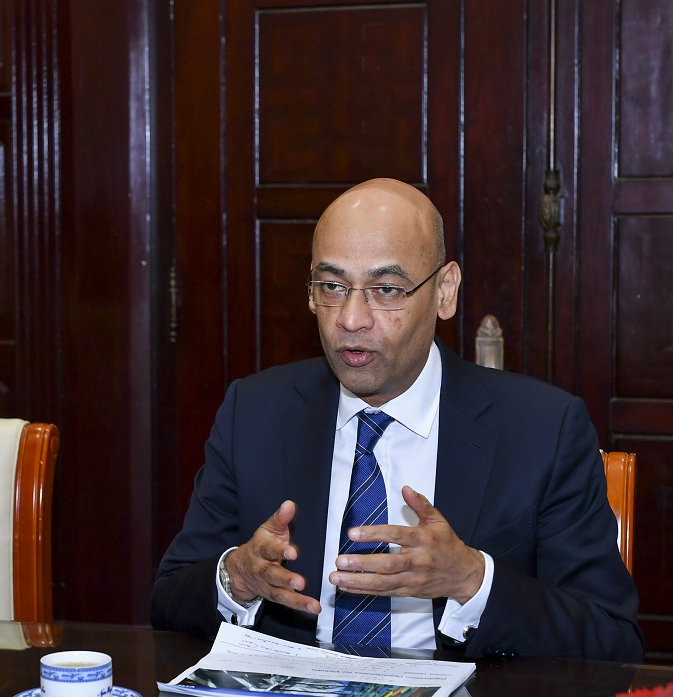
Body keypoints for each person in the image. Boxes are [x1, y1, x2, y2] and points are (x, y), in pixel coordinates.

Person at [151, 178, 643, 661]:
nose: (351, 319)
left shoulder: (543, 429)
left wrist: (472, 581)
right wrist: (236, 577)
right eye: (332, 286)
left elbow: (612, 639)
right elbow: (169, 601)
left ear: (445, 291)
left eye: (386, 289)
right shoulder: (255, 412)